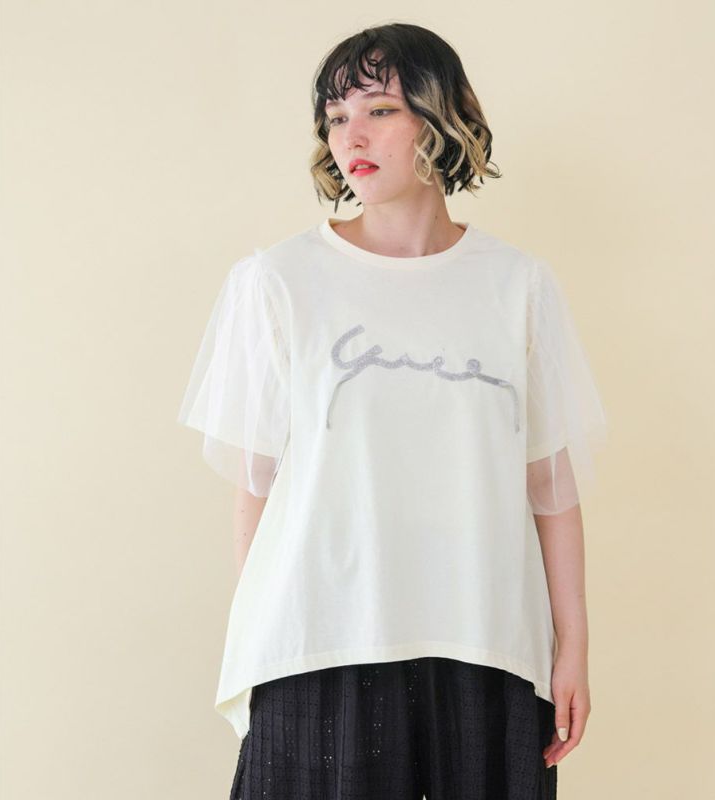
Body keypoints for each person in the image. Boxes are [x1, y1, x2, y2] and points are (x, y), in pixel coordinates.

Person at [177, 22, 608, 800]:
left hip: (487, 640)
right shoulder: (278, 282)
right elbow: (256, 487)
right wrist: (258, 635)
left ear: (440, 119)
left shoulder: (517, 286)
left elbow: (550, 488)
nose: (352, 137)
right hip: (320, 642)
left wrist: (572, 644)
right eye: (336, 116)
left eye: (379, 110)